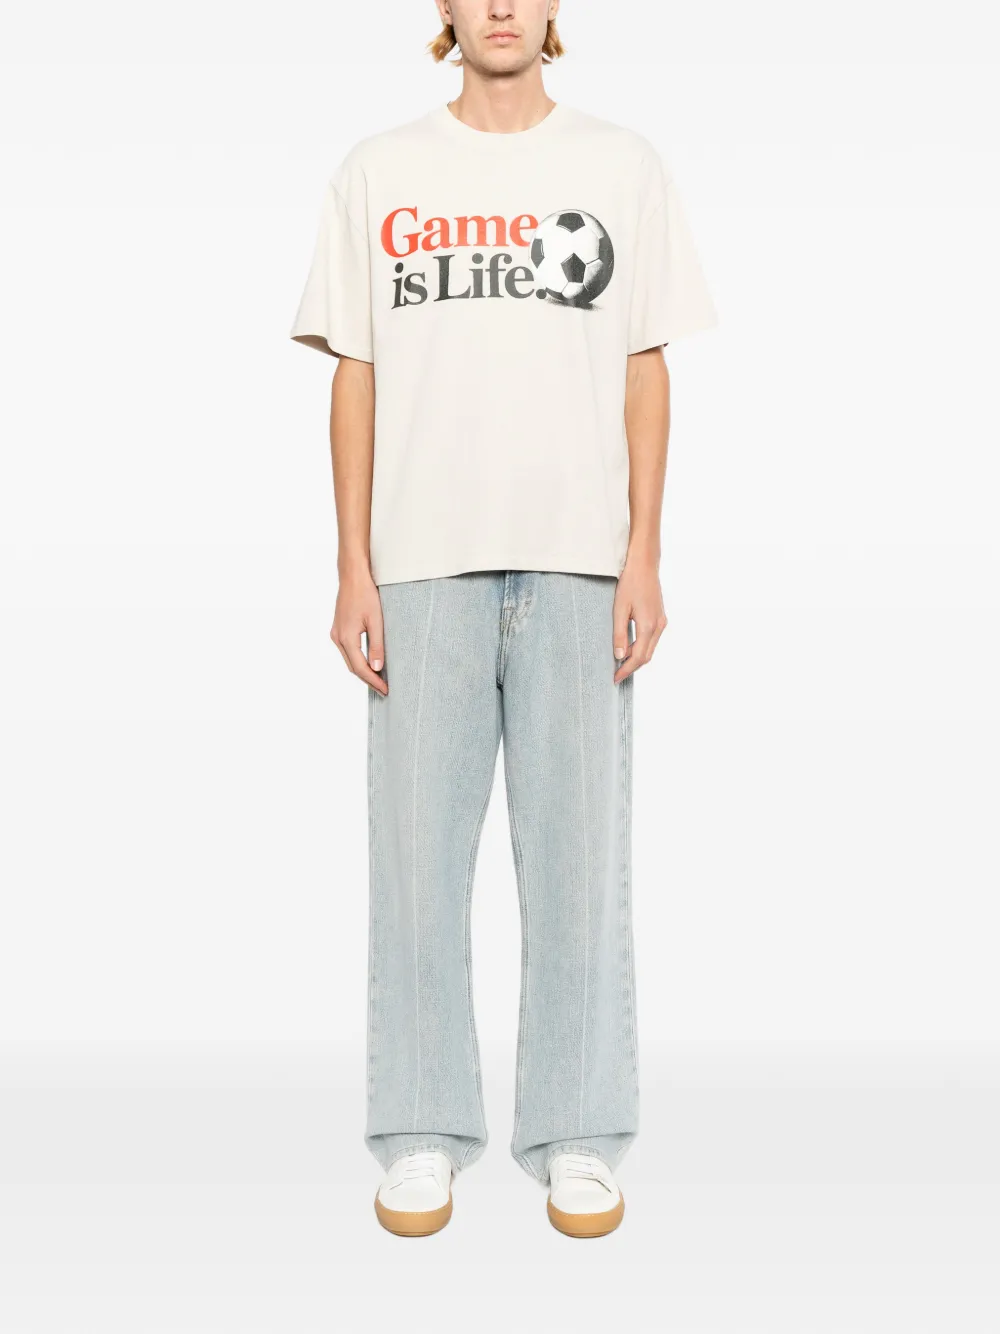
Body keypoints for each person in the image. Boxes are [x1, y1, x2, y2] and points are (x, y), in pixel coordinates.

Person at [288, 0, 717, 1239]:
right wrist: (352, 565)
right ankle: (420, 1127)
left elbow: (644, 365)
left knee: (580, 864)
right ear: (444, 7)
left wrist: (643, 552)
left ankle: (577, 1130)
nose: (500, 7)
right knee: (416, 865)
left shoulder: (621, 164)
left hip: (580, 563)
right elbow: (355, 371)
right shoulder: (380, 170)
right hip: (420, 565)